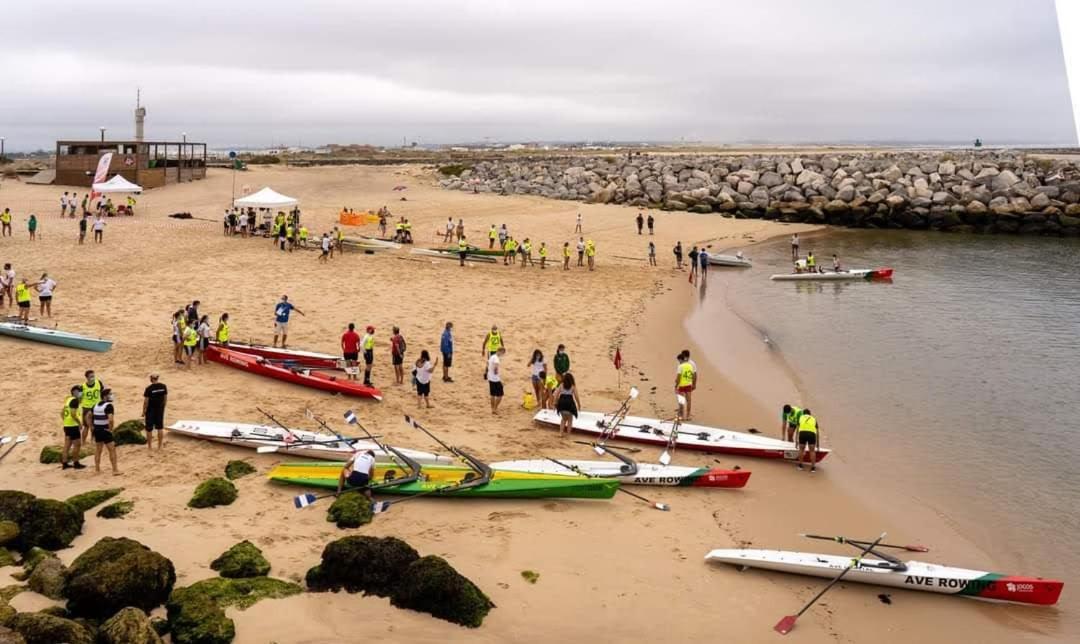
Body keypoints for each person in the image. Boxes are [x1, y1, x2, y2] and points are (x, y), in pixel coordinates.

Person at [91, 388, 120, 475]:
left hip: (97, 430)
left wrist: (91, 426)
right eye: (110, 394)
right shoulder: (108, 406)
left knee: (98, 450)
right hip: (105, 430)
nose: (112, 395)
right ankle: (115, 470)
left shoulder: (95, 405)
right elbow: (110, 419)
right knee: (112, 450)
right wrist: (110, 429)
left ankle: (97, 469)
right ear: (105, 396)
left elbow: (88, 416)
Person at [60, 385, 86, 470]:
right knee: (77, 445)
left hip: (67, 425)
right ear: (75, 392)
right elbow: (73, 414)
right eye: (80, 391)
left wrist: (65, 421)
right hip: (73, 426)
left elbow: (62, 413)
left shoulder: (68, 400)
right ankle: (76, 463)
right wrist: (79, 423)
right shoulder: (75, 401)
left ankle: (64, 463)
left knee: (67, 445)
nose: (81, 393)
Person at [143, 374, 168, 451]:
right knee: (160, 427)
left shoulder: (149, 388)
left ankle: (150, 446)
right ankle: (159, 446)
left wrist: (143, 411)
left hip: (150, 410)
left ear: (151, 379)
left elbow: (146, 402)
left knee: (149, 428)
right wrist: (163, 407)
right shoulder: (163, 386)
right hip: (160, 409)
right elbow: (165, 398)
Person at [675, 353, 696, 420]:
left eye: (679, 360)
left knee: (681, 401)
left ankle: (681, 416)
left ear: (681, 359)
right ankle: (688, 416)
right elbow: (693, 375)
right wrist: (693, 383)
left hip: (682, 385)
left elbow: (678, 377)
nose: (679, 362)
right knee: (689, 400)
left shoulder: (680, 366)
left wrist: (676, 385)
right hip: (688, 384)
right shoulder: (690, 366)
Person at [487, 346, 506, 414]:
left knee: (492, 394)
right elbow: (495, 369)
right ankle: (495, 408)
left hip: (490, 377)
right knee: (500, 395)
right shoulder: (496, 359)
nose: (502, 355)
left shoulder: (492, 356)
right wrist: (496, 373)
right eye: (502, 353)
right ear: (500, 351)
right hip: (495, 379)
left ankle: (492, 408)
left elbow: (488, 364)